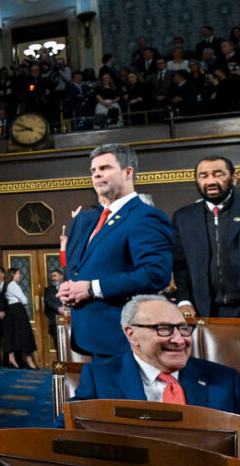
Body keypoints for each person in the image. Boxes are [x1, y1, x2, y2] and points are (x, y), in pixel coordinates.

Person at [59, 143, 173, 358]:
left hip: (124, 337)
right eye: (93, 170)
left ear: (128, 172)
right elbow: (79, 270)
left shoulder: (146, 216)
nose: (96, 174)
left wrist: (91, 288)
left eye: (105, 168)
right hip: (89, 335)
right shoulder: (88, 220)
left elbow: (155, 274)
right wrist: (69, 289)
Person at [72, 295, 240, 413]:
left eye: (183, 328)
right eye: (164, 329)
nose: (179, 339)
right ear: (132, 335)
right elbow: (67, 433)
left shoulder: (225, 379)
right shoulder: (99, 379)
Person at [173, 156, 240, 318]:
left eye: (218, 174)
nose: (210, 181)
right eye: (203, 176)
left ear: (234, 178)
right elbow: (180, 266)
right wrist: (184, 301)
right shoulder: (183, 217)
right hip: (205, 312)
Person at [0, 268, 37, 369]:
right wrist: (21, 301)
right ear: (13, 274)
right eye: (18, 273)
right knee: (24, 334)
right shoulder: (13, 285)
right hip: (17, 311)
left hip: (13, 311)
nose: (20, 276)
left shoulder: (8, 284)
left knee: (16, 334)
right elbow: (25, 300)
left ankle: (17, 359)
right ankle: (27, 360)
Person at [43, 268, 66, 346]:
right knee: (58, 342)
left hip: (69, 318)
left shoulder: (67, 286)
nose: (53, 278)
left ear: (61, 276)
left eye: (55, 276)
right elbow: (48, 301)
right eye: (52, 276)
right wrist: (58, 308)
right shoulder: (48, 289)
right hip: (55, 318)